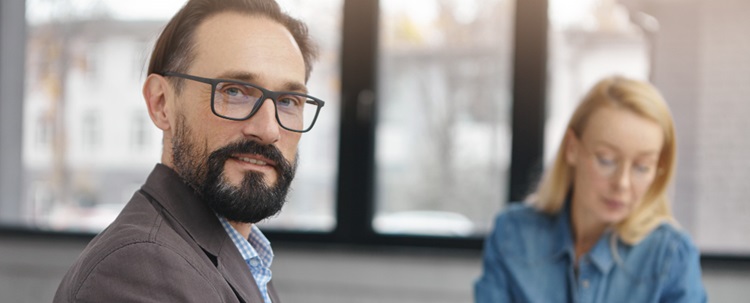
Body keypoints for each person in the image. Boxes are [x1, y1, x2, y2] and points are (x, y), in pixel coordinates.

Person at [54, 0, 324, 302]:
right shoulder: (140, 268)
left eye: (288, 101)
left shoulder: (245, 260)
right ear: (161, 104)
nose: (268, 130)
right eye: (234, 91)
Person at [475, 76, 707, 302]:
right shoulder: (512, 234)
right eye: (606, 160)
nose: (622, 183)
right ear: (572, 148)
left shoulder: (671, 256)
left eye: (642, 167)